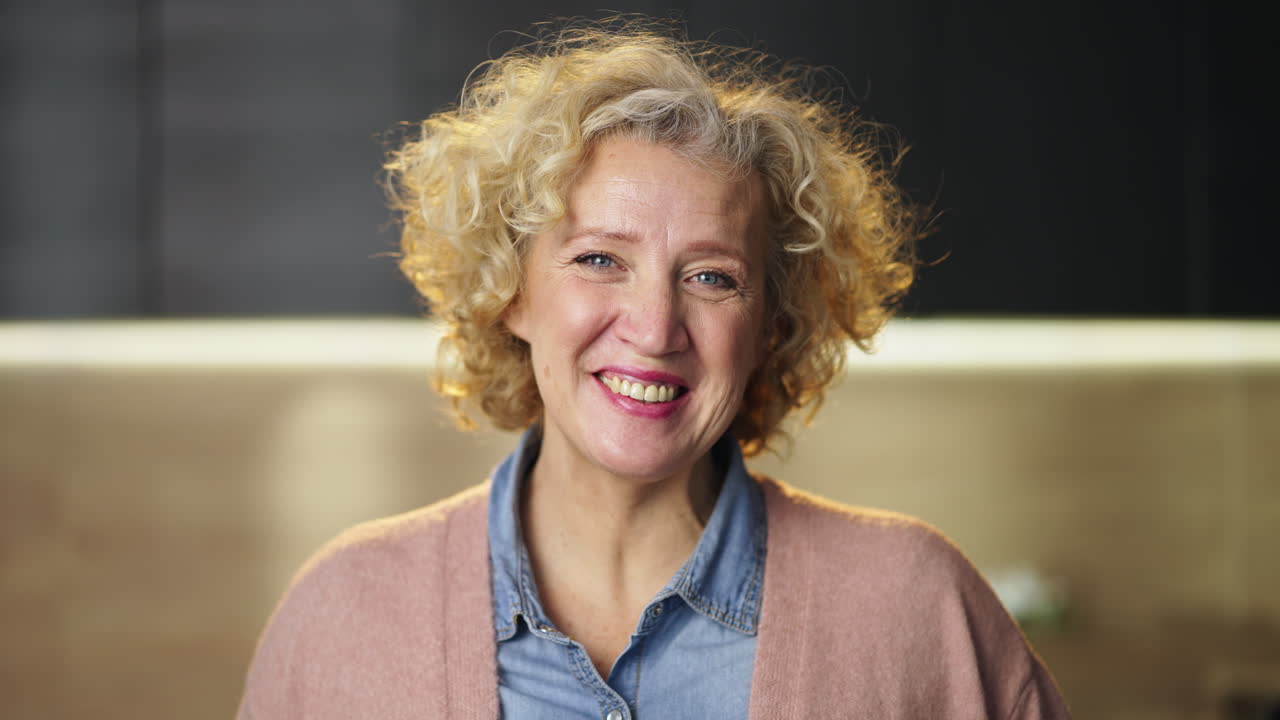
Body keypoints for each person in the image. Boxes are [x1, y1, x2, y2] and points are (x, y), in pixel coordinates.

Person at [237, 20, 1069, 719]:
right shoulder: (343, 618)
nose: (654, 326)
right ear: (510, 292)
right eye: (600, 259)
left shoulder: (918, 612)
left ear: (771, 324)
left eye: (713, 277)